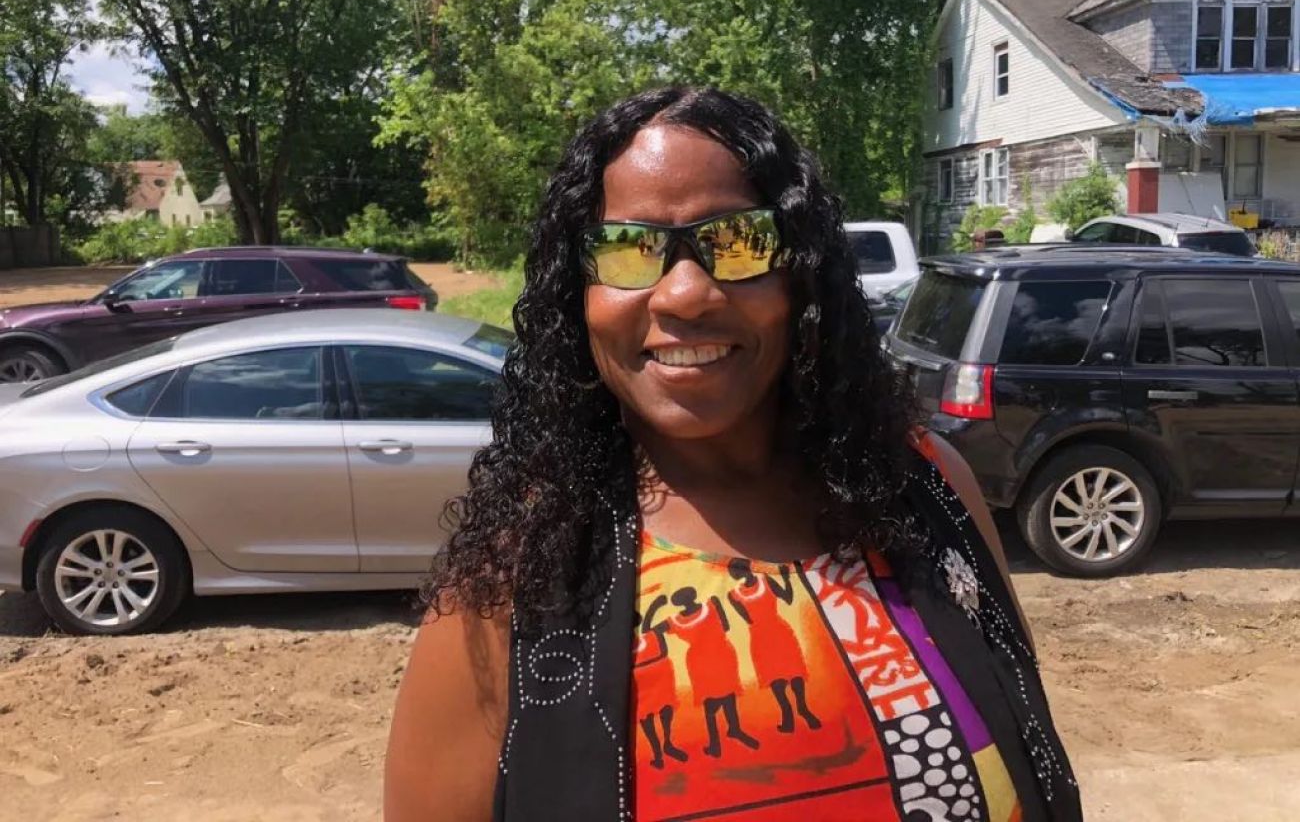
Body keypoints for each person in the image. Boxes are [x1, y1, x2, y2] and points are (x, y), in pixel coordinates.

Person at [385, 87, 1080, 822]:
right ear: (576, 293)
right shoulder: (517, 582)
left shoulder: (929, 490)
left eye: (737, 241)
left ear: (801, 274)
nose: (684, 293)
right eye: (629, 248)